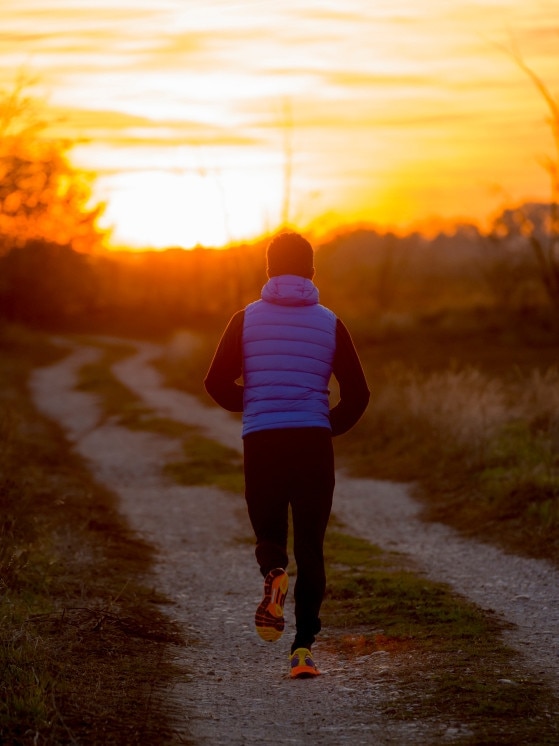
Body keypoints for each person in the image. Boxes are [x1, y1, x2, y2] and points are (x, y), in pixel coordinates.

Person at [204, 231, 369, 679]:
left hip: (263, 442)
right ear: (312, 271)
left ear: (268, 270)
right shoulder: (331, 322)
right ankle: (302, 649)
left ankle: (274, 572)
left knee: (270, 535)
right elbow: (358, 395)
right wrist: (321, 424)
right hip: (312, 443)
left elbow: (215, 383)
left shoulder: (245, 319)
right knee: (312, 547)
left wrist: (258, 402)